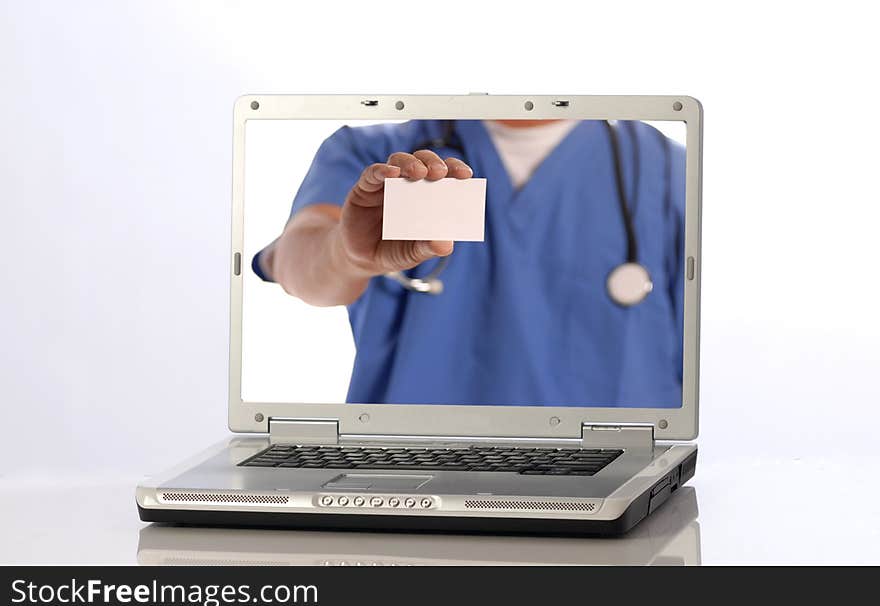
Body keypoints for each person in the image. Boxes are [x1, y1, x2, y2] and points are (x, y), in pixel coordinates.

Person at [253, 119, 685, 408]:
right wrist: (345, 253)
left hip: (611, 477)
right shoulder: (379, 153)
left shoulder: (667, 171)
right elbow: (296, 258)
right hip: (410, 473)